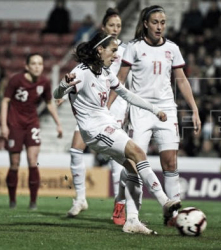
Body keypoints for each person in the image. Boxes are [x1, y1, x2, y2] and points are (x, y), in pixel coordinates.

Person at [53, 31, 180, 235]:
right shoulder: (82, 71)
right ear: (99, 50)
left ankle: (131, 221)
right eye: (113, 51)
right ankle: (165, 202)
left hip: (105, 124)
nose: (116, 55)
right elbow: (57, 94)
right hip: (95, 129)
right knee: (138, 153)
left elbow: (127, 94)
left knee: (132, 169)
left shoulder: (105, 72)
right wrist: (63, 85)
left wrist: (155, 110)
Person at [113, 5, 201, 226]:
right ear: (145, 23)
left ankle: (172, 215)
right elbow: (120, 81)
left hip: (166, 110)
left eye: (163, 22)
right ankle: (132, 216)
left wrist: (194, 109)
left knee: (170, 162)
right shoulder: (133, 47)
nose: (160, 26)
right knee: (134, 163)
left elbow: (181, 80)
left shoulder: (172, 48)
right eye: (155, 22)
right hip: (140, 110)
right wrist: (107, 109)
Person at [61, 8, 129, 226]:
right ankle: (80, 198)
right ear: (104, 28)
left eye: (118, 26)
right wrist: (67, 89)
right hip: (93, 105)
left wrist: (109, 106)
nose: (116, 29)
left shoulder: (125, 50)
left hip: (114, 104)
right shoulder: (97, 48)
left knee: (116, 155)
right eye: (112, 26)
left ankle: (119, 204)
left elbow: (121, 79)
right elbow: (82, 71)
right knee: (75, 147)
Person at [1, 53, 63, 210]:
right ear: (27, 66)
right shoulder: (16, 80)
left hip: (32, 124)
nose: (37, 66)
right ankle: (12, 200)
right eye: (34, 63)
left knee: (32, 160)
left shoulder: (44, 82)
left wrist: (58, 123)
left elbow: (49, 102)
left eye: (40, 64)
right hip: (14, 124)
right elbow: (5, 101)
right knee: (14, 163)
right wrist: (4, 125)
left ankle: (33, 202)